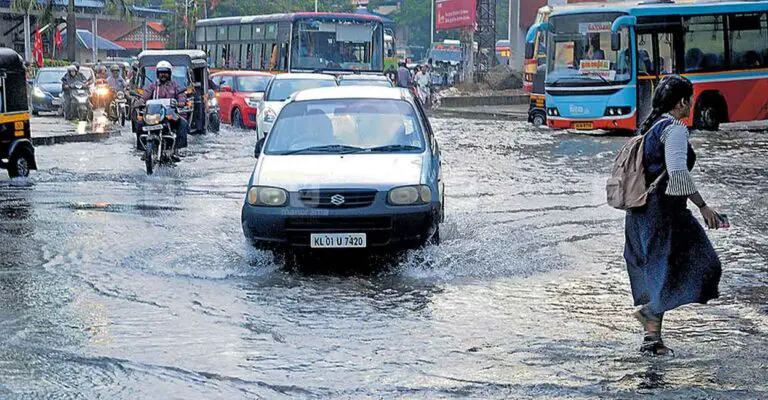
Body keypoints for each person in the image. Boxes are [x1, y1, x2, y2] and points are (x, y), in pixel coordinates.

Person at [624, 75, 722, 356]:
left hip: (640, 215)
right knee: (708, 266)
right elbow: (678, 173)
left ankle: (652, 341)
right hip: (665, 214)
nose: (692, 104)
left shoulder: (650, 127)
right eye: (690, 98)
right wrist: (703, 206)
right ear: (682, 102)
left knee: (658, 273)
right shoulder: (675, 129)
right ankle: (650, 312)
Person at [139, 60, 188, 159]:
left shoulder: (175, 86)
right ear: (158, 74)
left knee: (183, 123)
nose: (163, 75)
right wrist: (139, 103)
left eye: (165, 72)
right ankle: (143, 149)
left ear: (169, 73)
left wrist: (181, 102)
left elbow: (181, 95)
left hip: (170, 114)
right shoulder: (153, 86)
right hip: (155, 114)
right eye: (161, 72)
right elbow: (145, 96)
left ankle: (177, 149)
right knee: (139, 123)